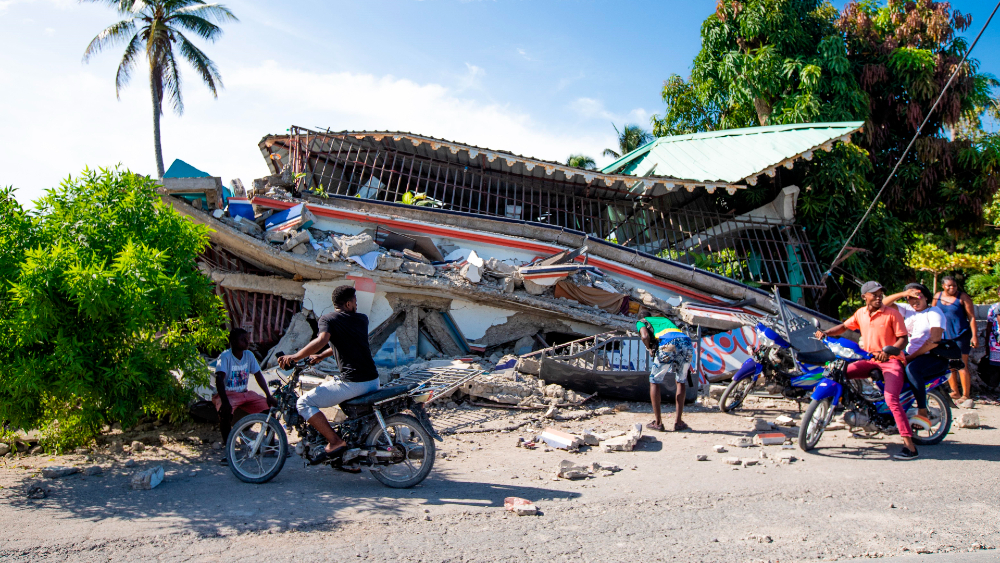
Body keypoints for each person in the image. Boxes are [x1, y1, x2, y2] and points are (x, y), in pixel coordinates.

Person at [278, 286, 380, 463]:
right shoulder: (362, 319)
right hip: (372, 381)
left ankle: (335, 441)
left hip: (353, 383)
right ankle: (348, 461)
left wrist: (295, 356)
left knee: (304, 403)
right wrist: (320, 356)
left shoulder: (328, 319)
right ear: (348, 304)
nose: (356, 304)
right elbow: (344, 343)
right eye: (355, 301)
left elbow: (323, 339)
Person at [815, 281, 915, 459]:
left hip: (891, 361)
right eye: (874, 294)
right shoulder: (861, 313)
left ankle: (910, 447)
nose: (878, 297)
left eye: (880, 294)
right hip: (869, 359)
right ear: (864, 297)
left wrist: (888, 352)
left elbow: (903, 339)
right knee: (839, 373)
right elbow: (844, 327)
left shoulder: (892, 314)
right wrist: (826, 333)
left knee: (891, 399)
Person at [884, 283, 946, 431]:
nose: (914, 301)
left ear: (926, 297)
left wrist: (910, 358)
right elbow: (883, 304)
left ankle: (922, 411)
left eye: (918, 297)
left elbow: (934, 341)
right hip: (909, 355)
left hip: (931, 356)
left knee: (912, 370)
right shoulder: (908, 310)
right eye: (910, 298)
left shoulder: (934, 312)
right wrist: (903, 293)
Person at [214, 328, 278, 465]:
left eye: (247, 339)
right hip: (228, 393)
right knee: (225, 413)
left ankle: (270, 446)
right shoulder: (225, 356)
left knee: (270, 408)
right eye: (243, 340)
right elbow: (219, 379)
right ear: (233, 341)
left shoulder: (249, 355)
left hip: (244, 392)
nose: (247, 342)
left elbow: (258, 375)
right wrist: (224, 401)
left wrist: (268, 395)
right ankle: (229, 451)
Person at [637, 307, 694, 432]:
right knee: (681, 381)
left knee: (654, 381)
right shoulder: (664, 320)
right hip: (686, 343)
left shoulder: (641, 322)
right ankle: (678, 423)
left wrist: (649, 348)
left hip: (668, 344)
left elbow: (645, 336)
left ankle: (658, 423)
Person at [932, 276, 978, 408]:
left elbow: (972, 317)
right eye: (949, 286)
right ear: (943, 286)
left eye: (954, 286)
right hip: (944, 336)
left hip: (961, 335)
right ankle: (955, 392)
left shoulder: (963, 298)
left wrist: (974, 336)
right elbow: (932, 313)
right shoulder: (937, 296)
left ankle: (966, 394)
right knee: (949, 365)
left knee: (962, 365)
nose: (952, 288)